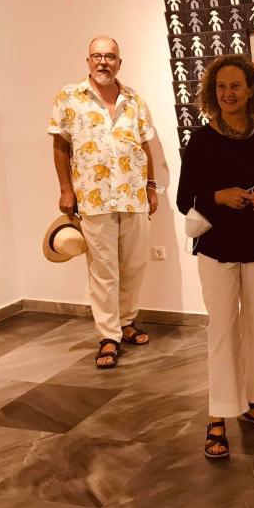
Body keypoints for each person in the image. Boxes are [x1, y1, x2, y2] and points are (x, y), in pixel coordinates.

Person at [177, 54, 254, 459]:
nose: (228, 93)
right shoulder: (201, 140)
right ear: (213, 92)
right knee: (223, 330)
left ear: (251, 90)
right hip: (217, 248)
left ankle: (253, 404)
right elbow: (184, 199)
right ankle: (218, 415)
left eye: (236, 86)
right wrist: (218, 197)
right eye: (221, 86)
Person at [48, 36, 159, 369]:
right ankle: (109, 335)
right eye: (97, 56)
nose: (103, 62)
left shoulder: (135, 100)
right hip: (94, 197)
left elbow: (145, 146)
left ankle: (126, 321)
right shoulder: (69, 97)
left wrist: (151, 186)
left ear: (119, 63)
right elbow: (60, 147)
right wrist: (66, 190)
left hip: (133, 195)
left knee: (134, 265)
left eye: (110, 56)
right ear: (88, 61)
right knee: (103, 270)